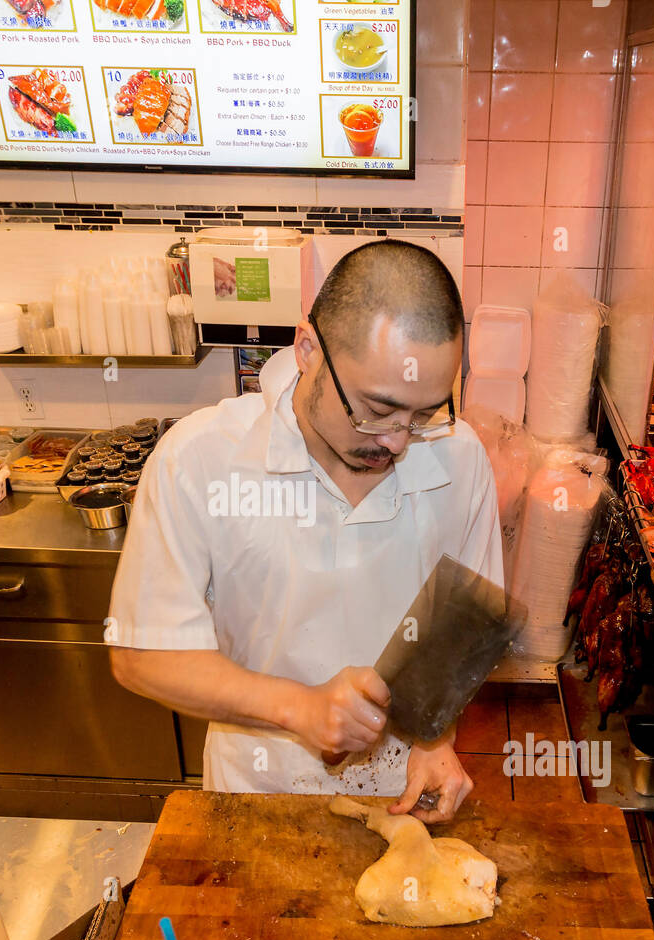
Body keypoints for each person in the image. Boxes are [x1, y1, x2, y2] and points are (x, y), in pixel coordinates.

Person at [107, 240, 502, 822]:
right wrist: (300, 708)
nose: (396, 441)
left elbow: (464, 621)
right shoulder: (199, 460)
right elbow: (141, 652)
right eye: (377, 408)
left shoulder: (458, 458)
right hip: (255, 797)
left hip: (400, 800)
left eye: (422, 415)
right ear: (308, 349)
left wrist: (434, 738)